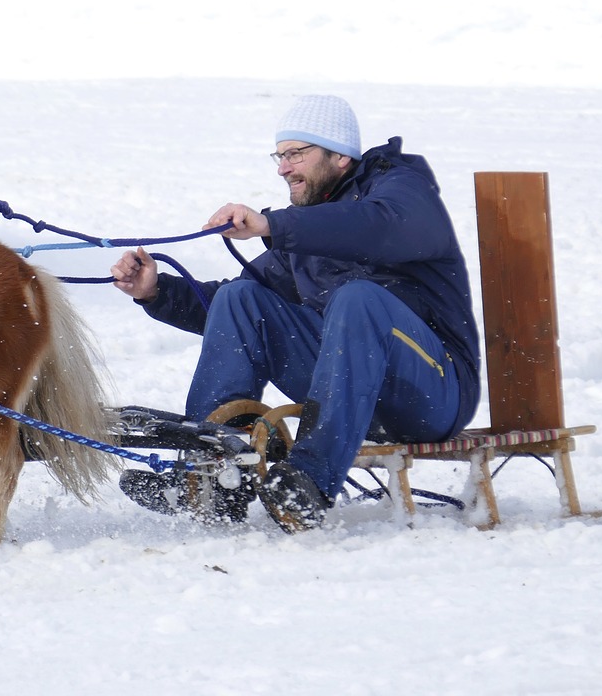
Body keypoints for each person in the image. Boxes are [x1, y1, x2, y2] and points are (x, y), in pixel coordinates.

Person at [110, 95, 480, 533]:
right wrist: (155, 292)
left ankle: (308, 482)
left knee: (357, 299)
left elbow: (378, 226)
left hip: (430, 392)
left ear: (340, 155)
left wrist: (273, 226)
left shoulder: (403, 191)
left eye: (296, 154)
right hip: (345, 392)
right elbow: (236, 318)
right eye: (280, 156)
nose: (284, 168)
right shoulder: (307, 229)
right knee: (242, 299)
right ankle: (211, 476)